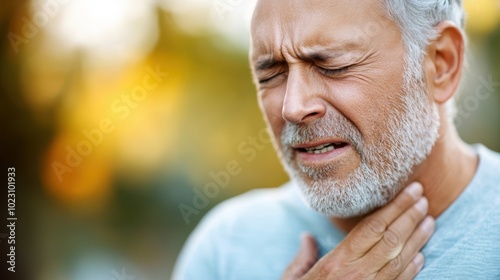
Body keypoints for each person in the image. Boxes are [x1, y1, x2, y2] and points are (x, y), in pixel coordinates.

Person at [173, 0, 500, 279]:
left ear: (441, 63)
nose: (293, 107)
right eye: (271, 75)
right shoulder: (226, 247)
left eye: (333, 66)